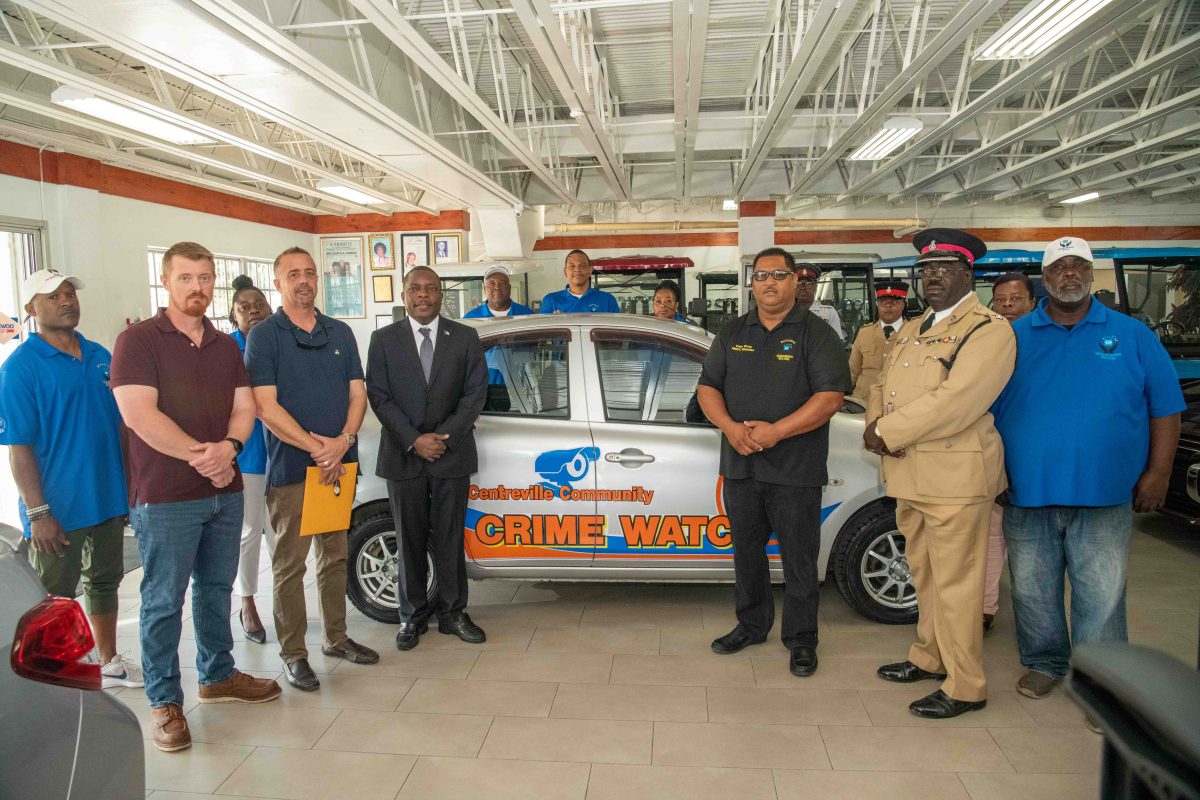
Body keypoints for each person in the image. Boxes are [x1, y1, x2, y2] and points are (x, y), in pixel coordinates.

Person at [991, 236, 1183, 708]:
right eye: (1060, 267)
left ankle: (1102, 682)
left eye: (1079, 266)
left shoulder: (1132, 335)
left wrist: (1158, 474)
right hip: (1026, 490)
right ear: (1045, 278)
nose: (1070, 274)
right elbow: (983, 412)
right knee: (1034, 589)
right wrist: (991, 475)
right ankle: (1044, 663)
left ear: (1092, 275)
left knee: (1102, 594)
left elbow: (1166, 408)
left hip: (1106, 492)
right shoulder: (1011, 338)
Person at [111, 242, 281, 753]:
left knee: (216, 588)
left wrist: (228, 448)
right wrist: (201, 456)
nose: (197, 288)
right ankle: (165, 701)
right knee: (163, 600)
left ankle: (218, 675)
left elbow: (244, 407)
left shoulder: (227, 346)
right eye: (186, 278)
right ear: (166, 281)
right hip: (165, 495)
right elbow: (138, 414)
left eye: (205, 278)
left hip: (223, 489)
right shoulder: (137, 341)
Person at [865, 228, 1015, 719]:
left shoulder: (988, 329)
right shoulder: (913, 328)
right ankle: (929, 657)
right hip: (912, 474)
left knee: (959, 585)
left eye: (945, 268)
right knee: (925, 574)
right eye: (927, 269)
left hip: (956, 479)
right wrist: (873, 423)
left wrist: (888, 431)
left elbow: (957, 402)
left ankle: (966, 683)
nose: (933, 276)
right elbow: (880, 384)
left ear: (968, 273)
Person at [697, 247, 849, 678]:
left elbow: (830, 398)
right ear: (752, 283)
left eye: (778, 275)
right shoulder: (731, 331)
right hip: (741, 465)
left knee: (800, 558)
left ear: (793, 281)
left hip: (795, 470)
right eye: (761, 275)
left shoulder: (815, 333)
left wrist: (776, 431)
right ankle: (751, 624)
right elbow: (708, 387)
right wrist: (730, 427)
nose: (768, 283)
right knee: (746, 553)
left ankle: (801, 639)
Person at [245, 247, 380, 692]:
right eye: (293, 274)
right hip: (292, 470)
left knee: (335, 556)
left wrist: (342, 443)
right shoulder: (265, 336)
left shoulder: (339, 332)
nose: (303, 280)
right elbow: (265, 407)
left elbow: (357, 395)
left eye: (309, 273)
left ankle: (337, 639)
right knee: (289, 565)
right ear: (277, 281)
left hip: (338, 467)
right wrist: (315, 448)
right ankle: (294, 653)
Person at [0, 268, 141, 690]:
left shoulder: (101, 356)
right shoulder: (20, 368)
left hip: (109, 497)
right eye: (53, 296)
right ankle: (47, 678)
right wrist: (39, 512)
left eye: (69, 294)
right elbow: (19, 448)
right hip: (57, 507)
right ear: (31, 309)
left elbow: (122, 429)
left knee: (104, 581)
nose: (66, 301)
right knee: (53, 596)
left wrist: (132, 488)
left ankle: (109, 660)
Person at [366, 266, 488, 651]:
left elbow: (475, 394)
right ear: (403, 295)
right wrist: (414, 439)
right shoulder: (383, 339)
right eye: (415, 289)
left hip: (451, 456)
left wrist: (444, 439)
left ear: (441, 295)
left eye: (431, 289)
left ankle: (453, 614)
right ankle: (412, 617)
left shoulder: (465, 337)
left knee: (451, 538)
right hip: (404, 456)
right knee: (410, 539)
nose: (423, 295)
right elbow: (379, 396)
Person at [981, 272, 1038, 633]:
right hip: (990, 454)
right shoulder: (984, 340)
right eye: (1000, 300)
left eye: (1014, 300)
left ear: (1032, 302)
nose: (1006, 307)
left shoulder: (1041, 341)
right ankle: (985, 608)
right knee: (991, 536)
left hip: (1034, 459)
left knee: (1032, 551)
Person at [227, 276, 275, 644]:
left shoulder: (282, 343)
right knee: (248, 533)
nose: (254, 310)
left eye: (259, 303)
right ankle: (247, 603)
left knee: (283, 535)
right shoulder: (226, 351)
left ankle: (286, 605)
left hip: (285, 454)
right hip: (246, 459)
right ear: (234, 316)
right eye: (245, 306)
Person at [848, 280, 908, 399]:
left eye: (894, 302)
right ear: (877, 304)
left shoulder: (913, 332)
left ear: (903, 304)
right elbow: (852, 371)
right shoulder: (865, 332)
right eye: (883, 302)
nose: (888, 306)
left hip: (897, 402)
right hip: (863, 401)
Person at [539, 250, 621, 313]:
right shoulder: (551, 300)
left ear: (590, 271)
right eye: (572, 266)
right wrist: (559, 323)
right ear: (565, 272)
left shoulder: (608, 300)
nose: (577, 270)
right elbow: (543, 334)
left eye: (583, 266)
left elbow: (616, 333)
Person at [794, 263, 844, 341]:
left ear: (815, 286)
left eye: (808, 283)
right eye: (798, 283)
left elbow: (836, 343)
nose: (803, 287)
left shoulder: (829, 313)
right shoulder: (783, 313)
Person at [464, 266, 534, 318]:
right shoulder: (470, 319)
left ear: (509, 288)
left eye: (502, 283)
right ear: (485, 290)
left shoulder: (527, 315)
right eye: (492, 283)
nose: (497, 287)